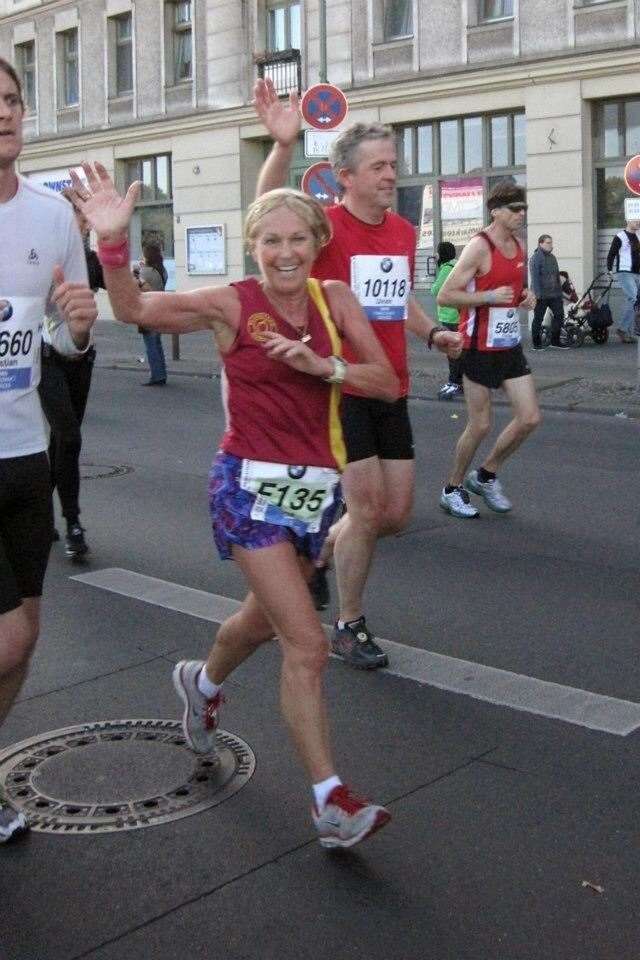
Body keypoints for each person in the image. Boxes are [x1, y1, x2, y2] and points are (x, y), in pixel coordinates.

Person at [74, 160, 398, 848]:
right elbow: (134, 311)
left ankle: (201, 681)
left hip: (312, 495)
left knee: (258, 620)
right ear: (254, 246)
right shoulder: (229, 303)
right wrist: (112, 245)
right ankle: (329, 801)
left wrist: (324, 367)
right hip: (244, 486)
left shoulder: (335, 300)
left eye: (297, 240)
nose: (284, 254)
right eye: (270, 242)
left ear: (316, 242)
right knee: (306, 644)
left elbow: (387, 382)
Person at [253, 77, 461, 669]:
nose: (391, 175)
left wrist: (433, 333)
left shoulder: (399, 230)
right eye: (377, 167)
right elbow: (269, 210)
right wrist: (284, 147)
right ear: (346, 177)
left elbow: (399, 302)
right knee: (367, 511)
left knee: (393, 515)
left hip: (389, 383)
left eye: (393, 164)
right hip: (338, 383)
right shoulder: (325, 227)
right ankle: (349, 624)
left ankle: (318, 552)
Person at [0, 59, 98, 842]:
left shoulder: (50, 215)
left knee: (22, 640)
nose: (2, 113)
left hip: (25, 449)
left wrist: (82, 322)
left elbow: (63, 340)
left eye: (9, 101)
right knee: (12, 637)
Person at [437, 181, 540, 520]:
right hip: (477, 347)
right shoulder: (478, 247)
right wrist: (485, 297)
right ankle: (452, 488)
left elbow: (516, 290)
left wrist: (527, 297)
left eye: (523, 208)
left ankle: (485, 474)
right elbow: (446, 295)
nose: (521, 214)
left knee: (529, 418)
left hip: (508, 345)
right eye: (515, 209)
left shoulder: (521, 246)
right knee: (480, 425)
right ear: (495, 211)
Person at [38, 186, 104, 560]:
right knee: (70, 436)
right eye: (77, 216)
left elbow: (121, 288)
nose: (82, 224)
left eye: (85, 217)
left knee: (61, 442)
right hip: (45, 355)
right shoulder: (45, 257)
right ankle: (73, 523)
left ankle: (36, 511)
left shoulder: (90, 258)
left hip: (82, 356)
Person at [431, 241, 463, 398]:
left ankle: (454, 382)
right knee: (460, 350)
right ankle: (461, 381)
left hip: (450, 316)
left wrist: (438, 268)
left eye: (438, 252)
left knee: (453, 352)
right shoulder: (456, 266)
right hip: (457, 314)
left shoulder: (446, 269)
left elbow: (435, 290)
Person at [135, 241, 168, 385]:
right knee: (157, 343)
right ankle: (161, 373)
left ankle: (156, 375)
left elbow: (139, 289)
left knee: (150, 345)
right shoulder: (162, 270)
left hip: (147, 310)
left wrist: (138, 275)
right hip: (160, 308)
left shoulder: (144, 272)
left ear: (147, 256)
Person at [529, 234, 567, 350]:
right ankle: (537, 344)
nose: (551, 245)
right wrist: (537, 295)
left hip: (554, 294)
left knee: (559, 315)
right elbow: (534, 278)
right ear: (540, 244)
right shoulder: (536, 258)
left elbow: (556, 276)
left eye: (551, 242)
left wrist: (560, 293)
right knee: (538, 319)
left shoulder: (552, 258)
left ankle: (555, 341)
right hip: (541, 295)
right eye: (548, 243)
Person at [606, 219, 640, 343]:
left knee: (634, 302)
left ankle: (629, 331)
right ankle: (622, 329)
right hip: (625, 272)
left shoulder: (638, 235)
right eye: (635, 220)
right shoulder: (620, 236)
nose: (638, 222)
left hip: (637, 273)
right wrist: (609, 270)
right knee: (633, 298)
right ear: (628, 221)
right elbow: (611, 254)